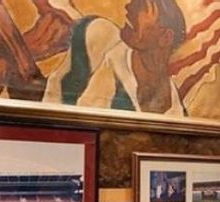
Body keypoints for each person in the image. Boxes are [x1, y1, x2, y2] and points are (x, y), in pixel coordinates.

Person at [44, 0, 187, 115]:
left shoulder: (176, 112)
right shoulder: (96, 37)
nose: (128, 6)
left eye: (143, 7)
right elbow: (53, 100)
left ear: (166, 38)